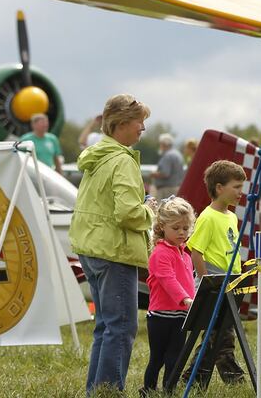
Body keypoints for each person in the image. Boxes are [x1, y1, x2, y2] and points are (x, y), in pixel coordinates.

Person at [68, 94, 157, 395]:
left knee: (105, 325)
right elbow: (128, 213)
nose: (142, 128)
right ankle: (109, 391)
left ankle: (97, 389)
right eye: (139, 122)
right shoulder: (122, 160)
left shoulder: (97, 155)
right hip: (114, 251)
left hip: (91, 247)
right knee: (121, 327)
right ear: (121, 124)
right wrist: (150, 210)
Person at [183, 160, 246, 385]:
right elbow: (195, 252)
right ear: (219, 188)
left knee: (222, 334)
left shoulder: (231, 216)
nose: (241, 192)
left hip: (232, 281)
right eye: (236, 187)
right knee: (216, 336)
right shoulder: (208, 217)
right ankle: (195, 380)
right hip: (214, 283)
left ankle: (202, 380)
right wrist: (206, 281)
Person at [140, 197, 196, 397]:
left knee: (175, 357)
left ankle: (169, 391)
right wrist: (186, 299)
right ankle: (148, 390)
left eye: (185, 227)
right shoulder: (160, 254)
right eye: (176, 228)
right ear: (162, 227)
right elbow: (168, 280)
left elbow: (189, 282)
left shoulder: (186, 255)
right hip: (161, 316)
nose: (182, 232)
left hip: (181, 315)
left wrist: (193, 298)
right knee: (157, 358)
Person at [151, 133, 185, 200]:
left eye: (161, 144)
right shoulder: (177, 154)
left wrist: (153, 174)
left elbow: (165, 173)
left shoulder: (168, 156)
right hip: (176, 188)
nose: (160, 146)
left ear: (164, 144)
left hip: (166, 190)